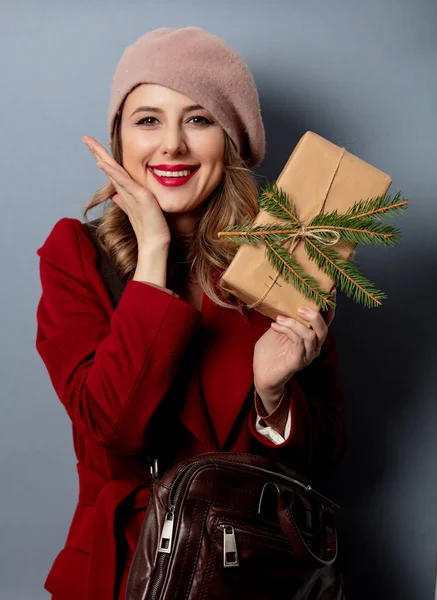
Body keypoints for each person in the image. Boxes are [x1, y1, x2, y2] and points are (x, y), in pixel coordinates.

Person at [35, 26, 347, 600]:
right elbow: (113, 425)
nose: (172, 145)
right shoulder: (74, 255)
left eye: (199, 119)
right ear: (120, 137)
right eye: (148, 120)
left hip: (250, 578)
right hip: (118, 576)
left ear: (231, 141)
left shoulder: (288, 257)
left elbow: (326, 455)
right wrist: (153, 249)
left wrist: (274, 399)